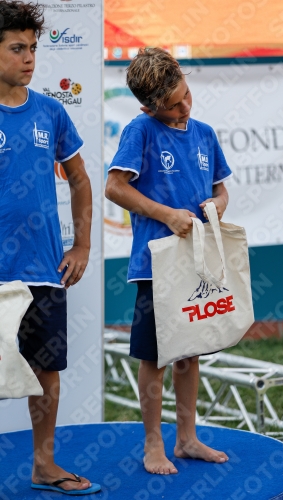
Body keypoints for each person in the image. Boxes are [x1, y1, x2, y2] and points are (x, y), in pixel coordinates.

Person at [105, 47, 232, 475]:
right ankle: (153, 444)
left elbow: (222, 191)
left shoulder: (205, 133)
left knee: (189, 355)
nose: (184, 108)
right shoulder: (140, 130)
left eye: (186, 96)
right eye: (173, 105)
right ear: (147, 106)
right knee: (155, 358)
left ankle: (187, 438)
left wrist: (216, 205)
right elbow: (114, 188)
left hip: (196, 264)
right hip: (155, 266)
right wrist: (166, 215)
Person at [0, 1, 100, 495]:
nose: (29, 58)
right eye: (17, 48)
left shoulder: (52, 111)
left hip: (42, 270)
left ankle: (44, 464)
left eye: (33, 48)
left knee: (46, 374)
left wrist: (81, 244)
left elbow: (81, 180)